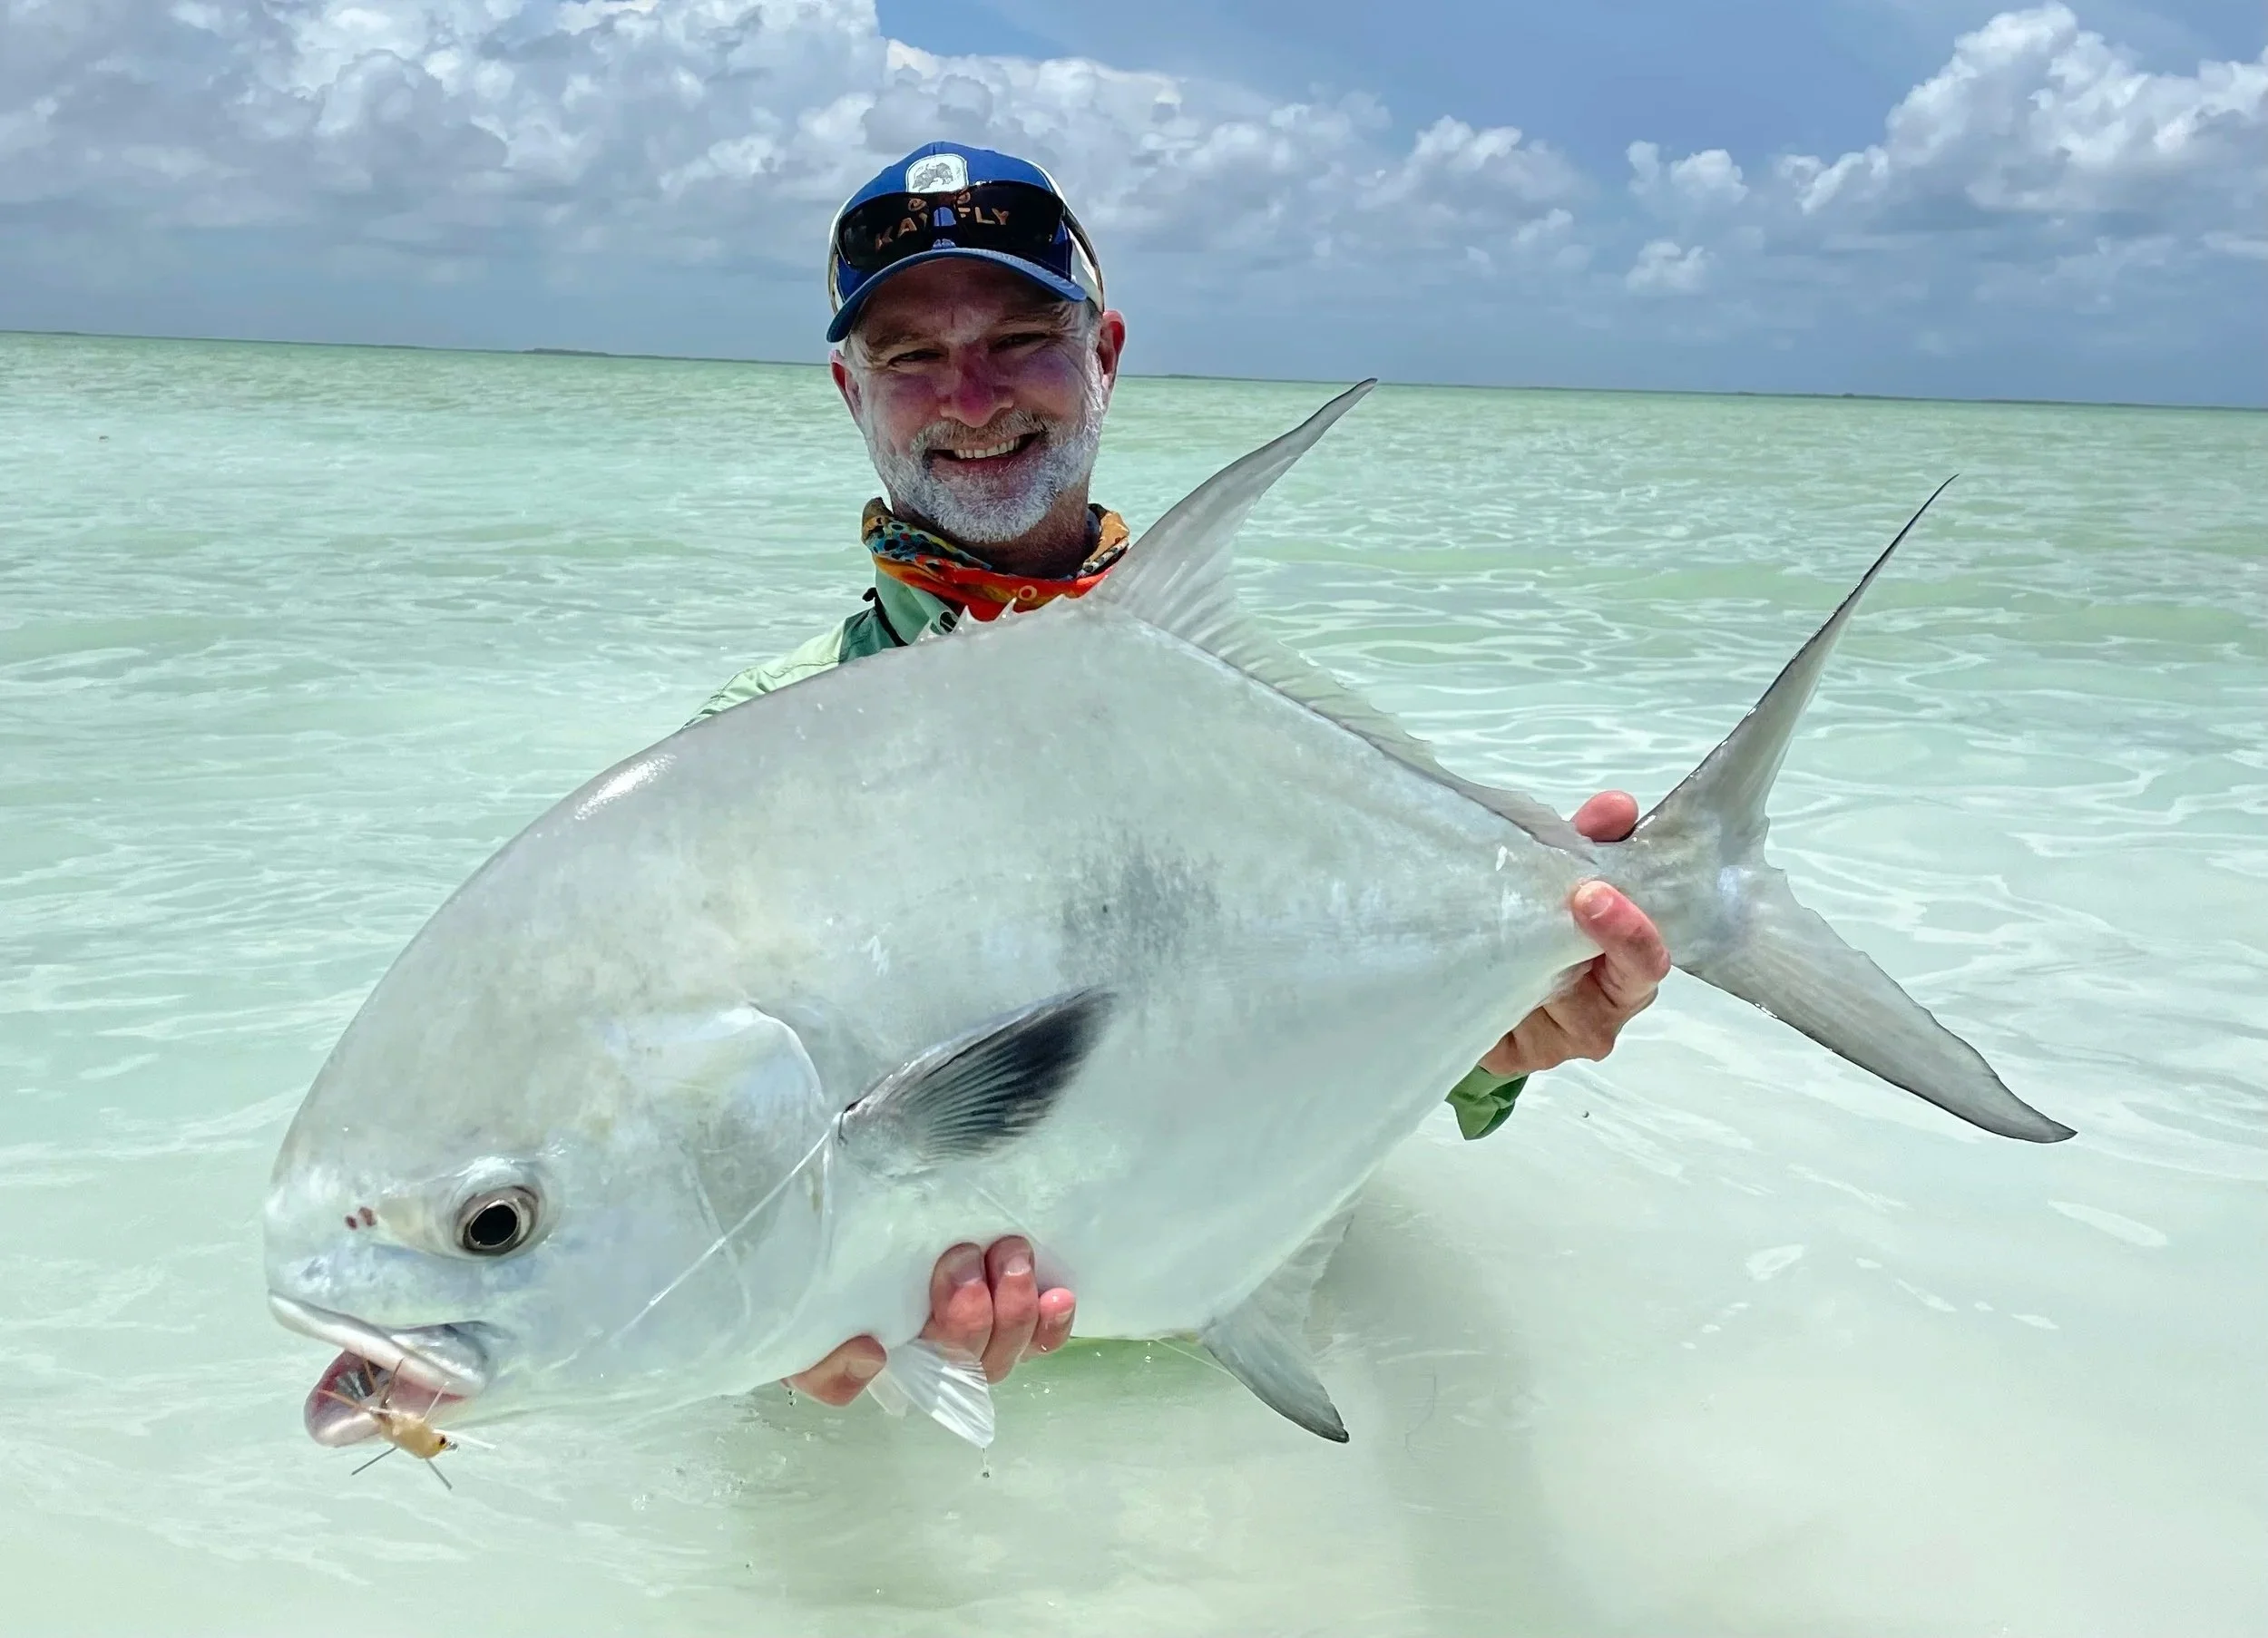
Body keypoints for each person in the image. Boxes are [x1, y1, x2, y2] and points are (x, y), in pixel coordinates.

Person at [696, 142, 1671, 1409]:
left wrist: (1513, 1025)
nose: (974, 397)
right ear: (850, 391)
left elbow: (1390, 1032)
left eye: (1020, 339)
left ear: (1101, 354)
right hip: (930, 1440)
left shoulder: (1254, 723)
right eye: (913, 357)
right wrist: (777, 1341)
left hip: (1232, 1389)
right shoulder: (748, 749)